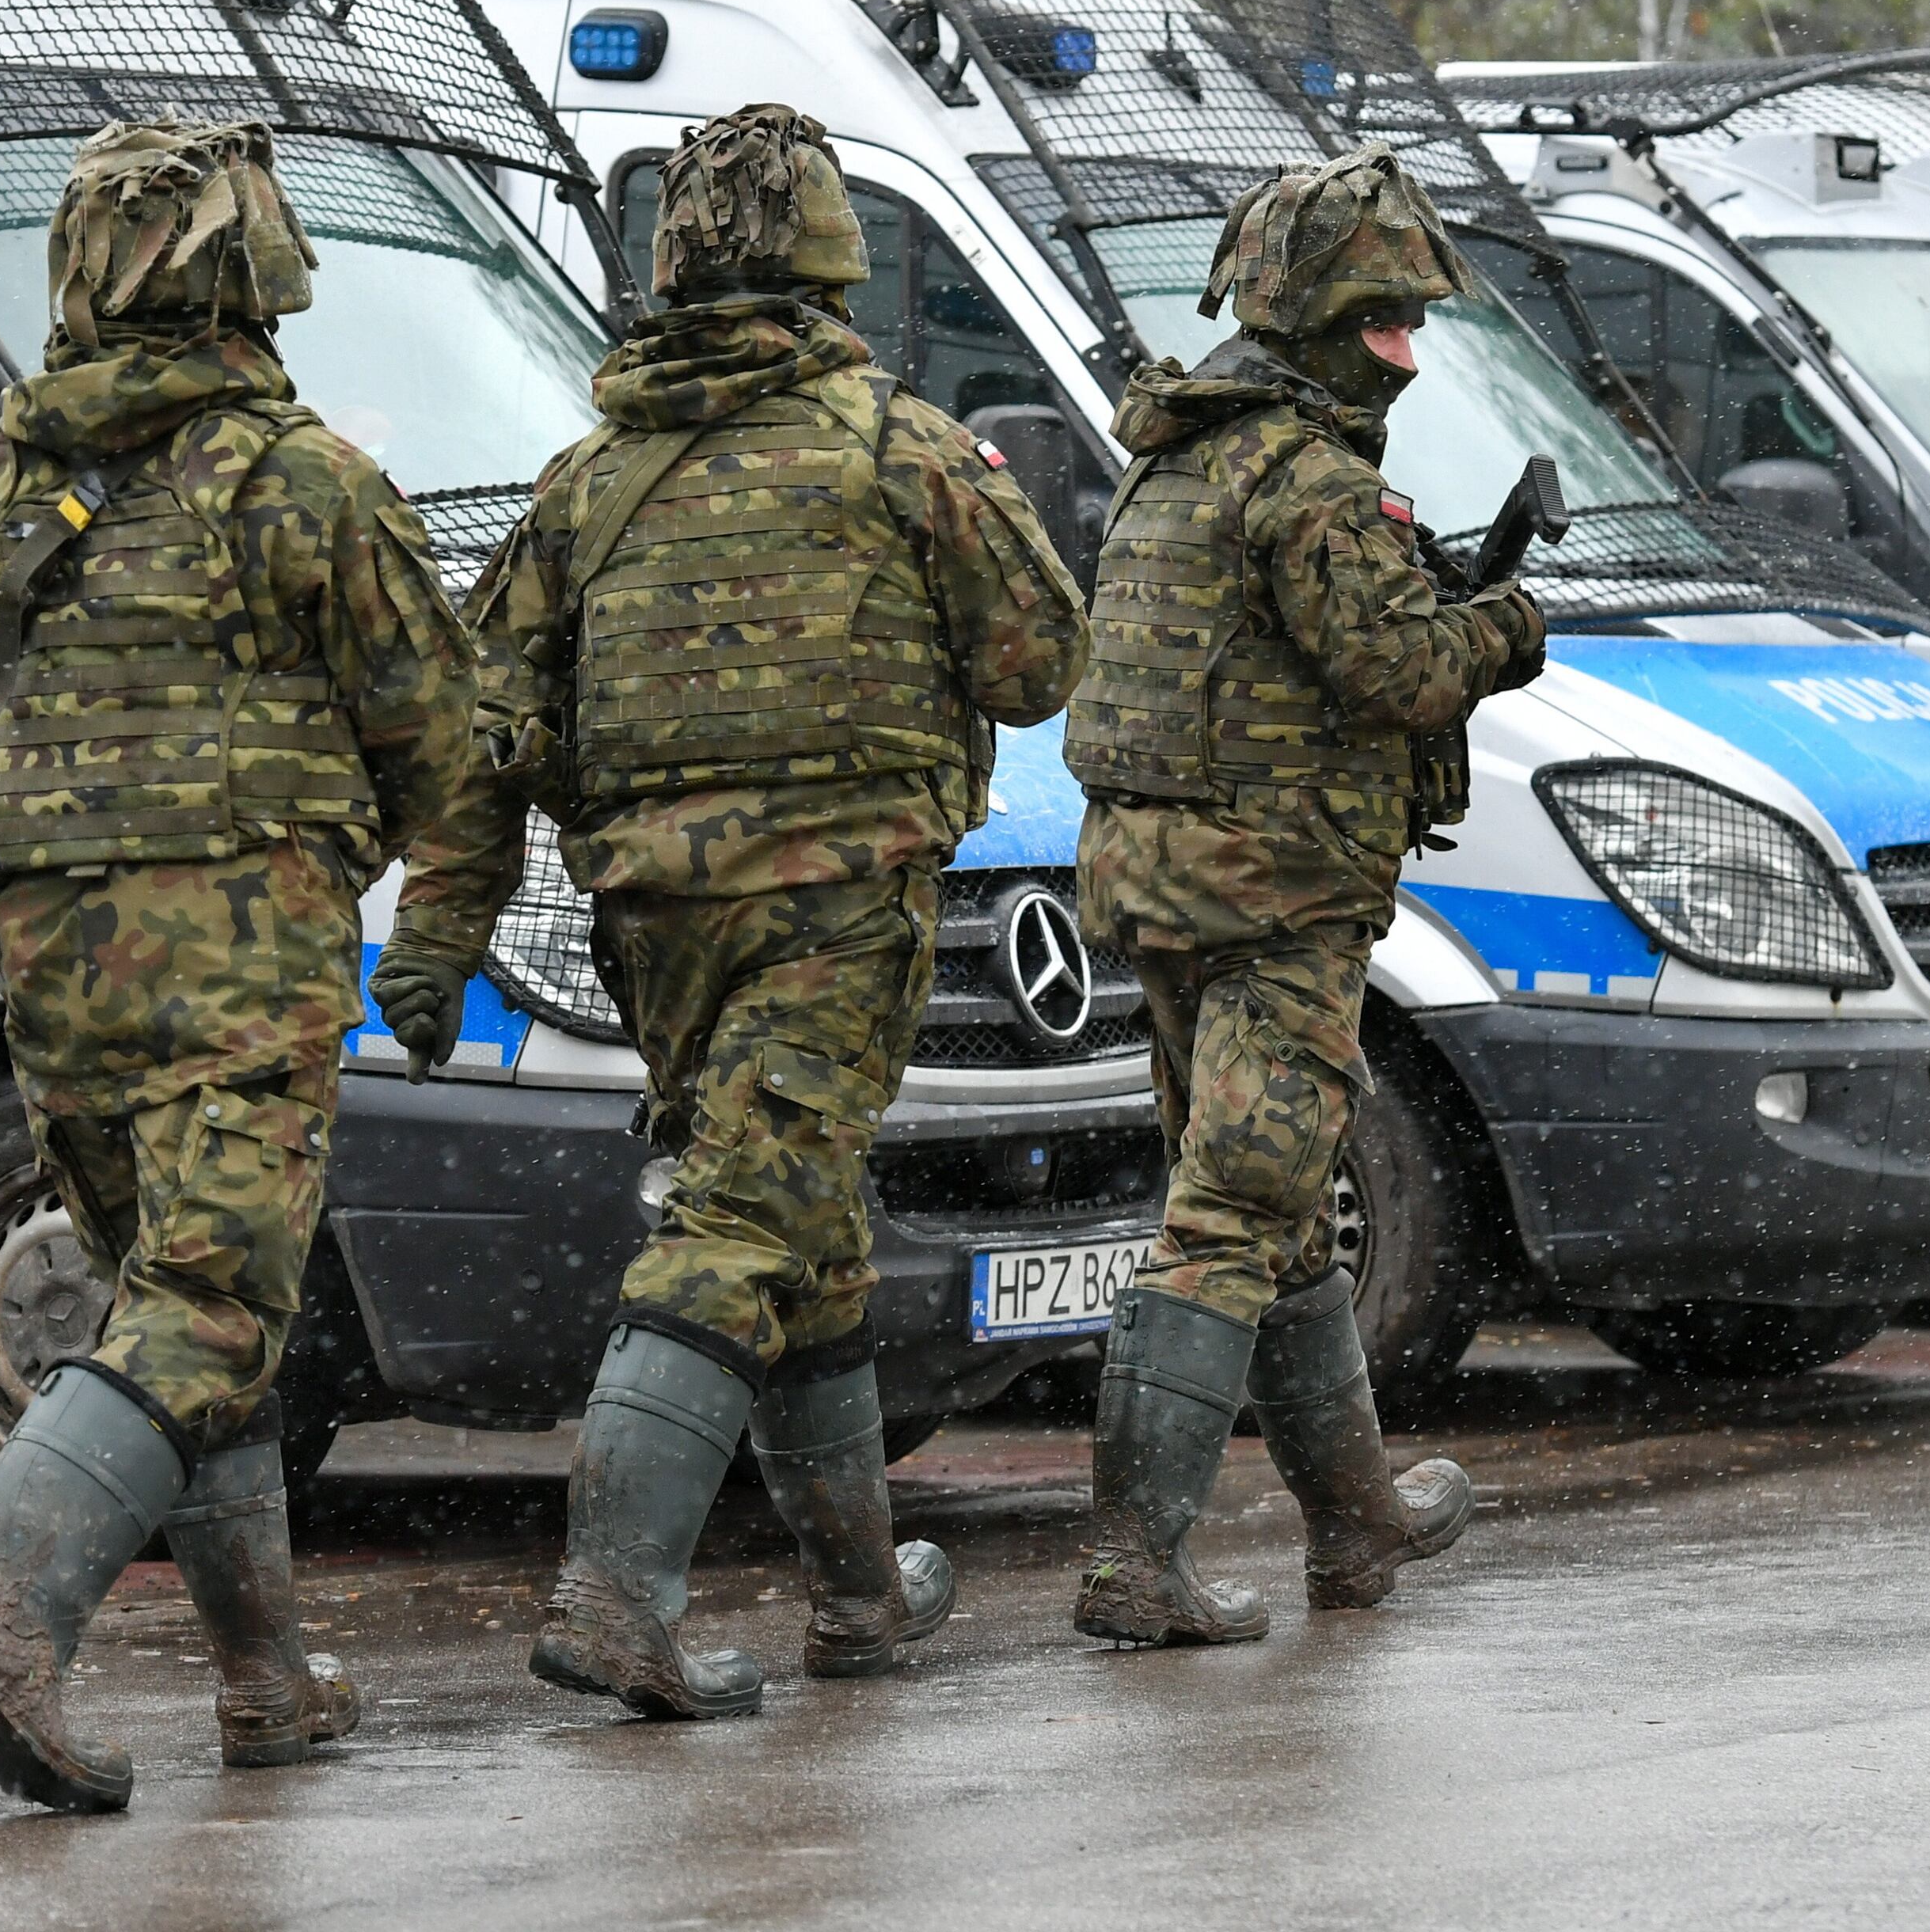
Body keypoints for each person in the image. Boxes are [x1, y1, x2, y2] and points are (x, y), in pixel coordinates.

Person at [375, 103, 1085, 1721]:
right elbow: (1043, 664)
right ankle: (614, 1599)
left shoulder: (589, 483)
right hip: (833, 920)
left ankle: (855, 1594)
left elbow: (486, 734)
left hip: (656, 933)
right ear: (832, 267)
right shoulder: (902, 450)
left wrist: (437, 937)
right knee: (742, 1228)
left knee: (806, 1238)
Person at [0, 119, 483, 1812]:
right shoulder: (306, 484)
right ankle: (1, 1626)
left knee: (177, 1292)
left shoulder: (16, 480)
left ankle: (266, 1676)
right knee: (212, 1304)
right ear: (256, 272)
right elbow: (440, 752)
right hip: (237, 960)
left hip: (56, 958)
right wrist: (433, 947)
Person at [1063, 146, 1547, 1646]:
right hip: (1272, 898)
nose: (1408, 349)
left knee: (1275, 1211)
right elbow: (1396, 670)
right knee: (1231, 1210)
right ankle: (1136, 1560)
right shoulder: (1311, 481)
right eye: (1389, 320)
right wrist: (1505, 625)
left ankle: (1355, 1518)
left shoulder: (1180, 451)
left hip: (1160, 885)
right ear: (1327, 319)